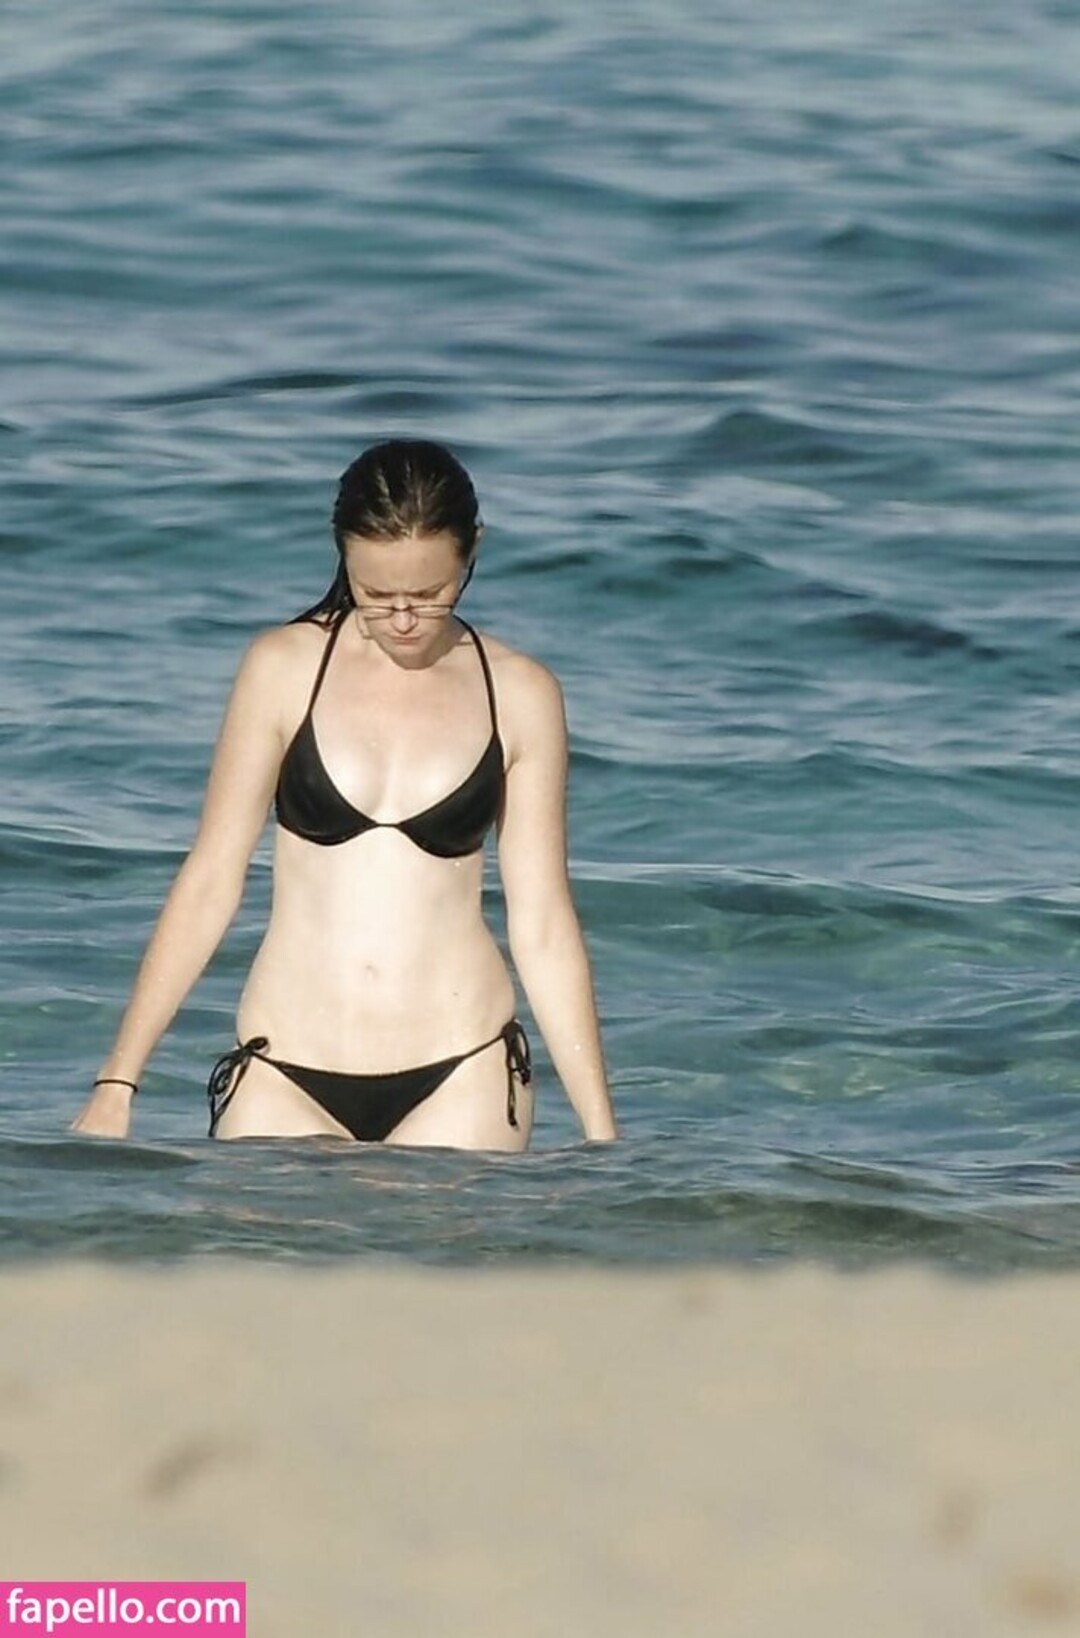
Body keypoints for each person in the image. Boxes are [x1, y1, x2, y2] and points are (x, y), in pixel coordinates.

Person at [71, 440, 618, 1150]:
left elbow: (542, 921)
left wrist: (602, 1134)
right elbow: (210, 879)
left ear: (472, 551)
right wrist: (118, 1081)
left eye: (429, 594)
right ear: (343, 556)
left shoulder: (519, 693)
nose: (403, 618)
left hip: (465, 1067)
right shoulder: (282, 669)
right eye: (376, 595)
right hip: (283, 1066)